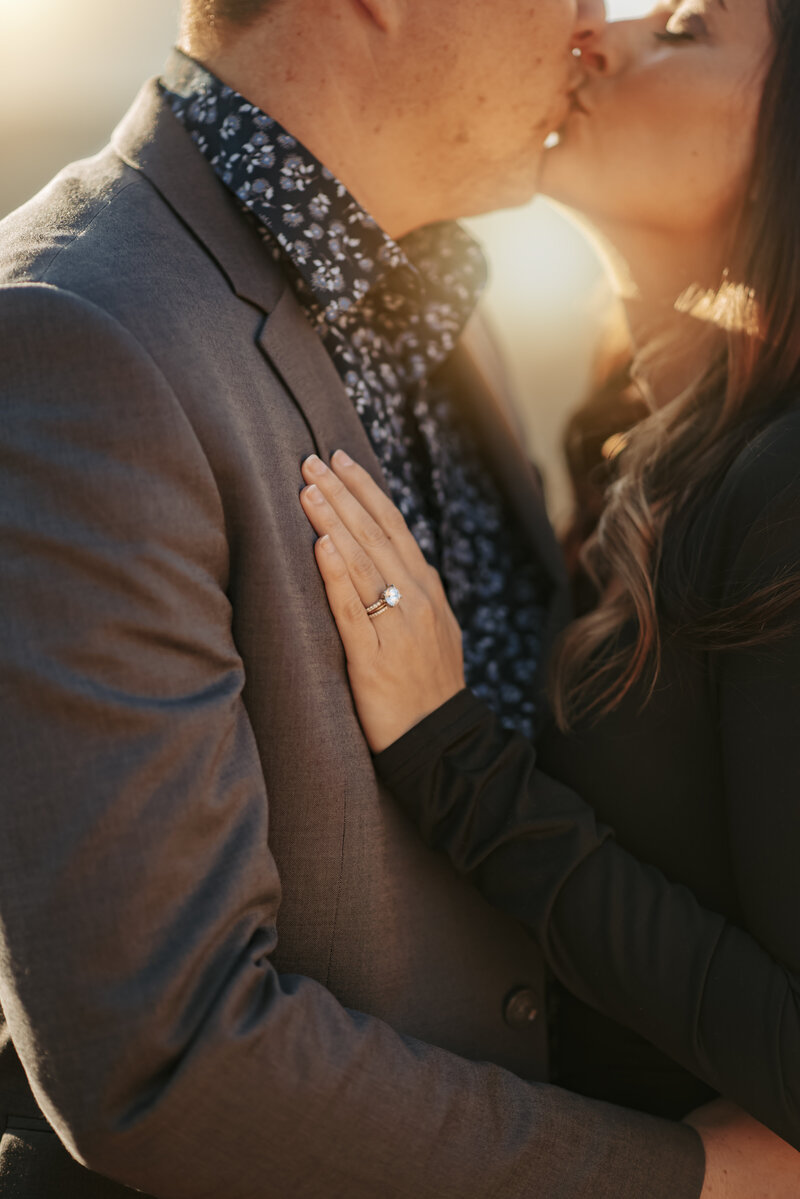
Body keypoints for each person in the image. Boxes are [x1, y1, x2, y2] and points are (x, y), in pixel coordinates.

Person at [0, 0, 720, 1196]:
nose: (595, 25)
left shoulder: (428, 296)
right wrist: (687, 1178)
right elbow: (169, 1058)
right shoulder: (74, 342)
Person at [297, 0, 800, 1191]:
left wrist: (450, 754)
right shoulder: (616, 431)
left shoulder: (781, 484)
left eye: (682, 28)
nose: (596, 35)